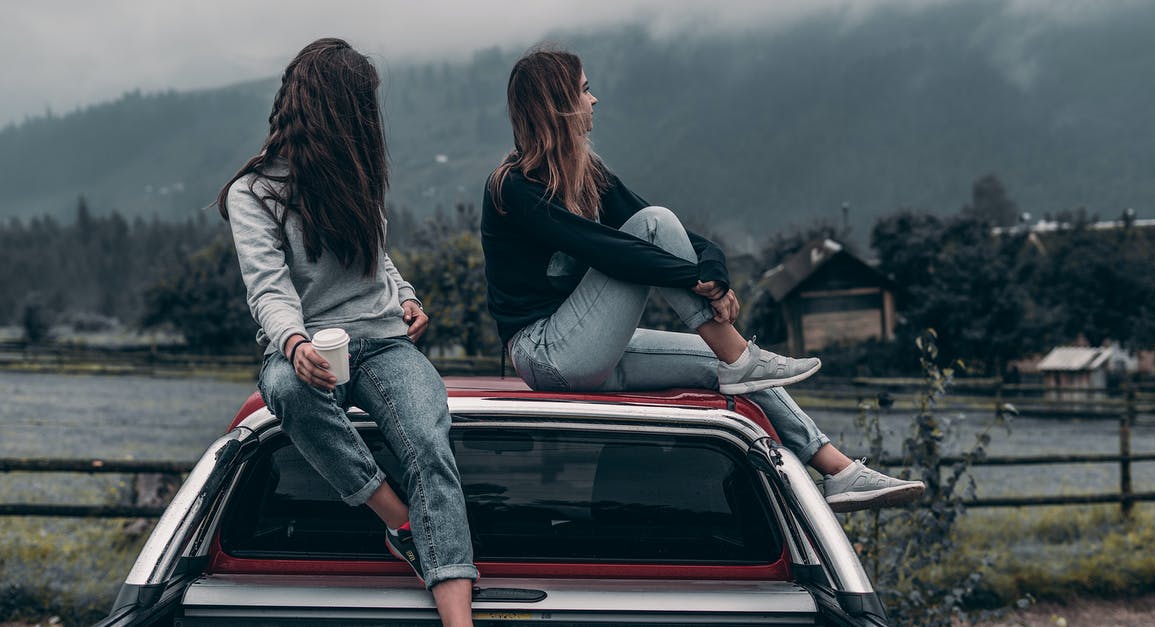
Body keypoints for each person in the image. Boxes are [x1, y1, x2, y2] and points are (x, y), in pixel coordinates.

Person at [481, 47, 924, 513]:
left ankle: (839, 471)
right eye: (585, 90)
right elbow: (609, 250)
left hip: (591, 347)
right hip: (545, 351)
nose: (595, 101)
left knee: (729, 372)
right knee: (654, 225)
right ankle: (740, 355)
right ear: (559, 104)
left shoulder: (587, 174)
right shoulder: (513, 186)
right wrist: (695, 279)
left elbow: (673, 235)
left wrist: (713, 268)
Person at [217, 38, 476, 625]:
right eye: (363, 105)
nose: (371, 119)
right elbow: (268, 287)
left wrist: (407, 296)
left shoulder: (357, 175)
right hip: (308, 346)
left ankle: (458, 620)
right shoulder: (253, 192)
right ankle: (401, 522)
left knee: (430, 445)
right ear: (336, 108)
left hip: (385, 340)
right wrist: (294, 343)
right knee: (283, 389)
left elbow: (376, 257)